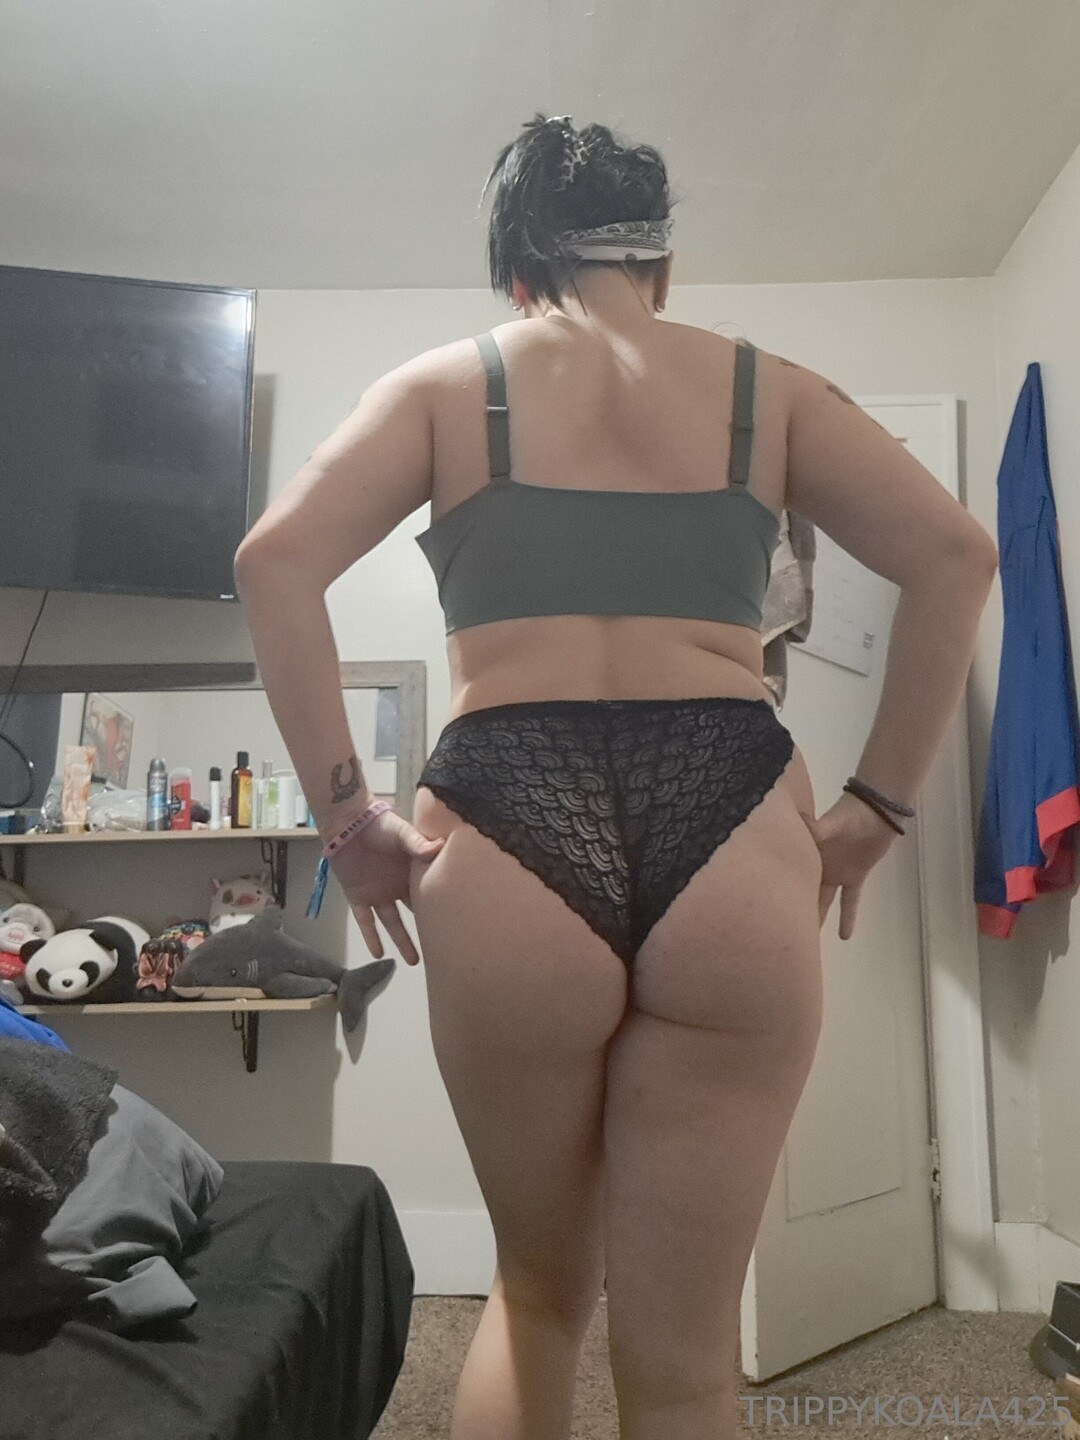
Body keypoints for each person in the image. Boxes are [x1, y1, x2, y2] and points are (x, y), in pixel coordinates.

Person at [235, 115, 998, 1440]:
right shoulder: (768, 390)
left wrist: (351, 820)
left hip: (508, 809)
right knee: (688, 1357)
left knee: (538, 1298)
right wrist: (876, 809)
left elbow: (274, 560)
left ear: (515, 271)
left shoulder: (444, 388)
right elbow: (957, 557)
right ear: (663, 264)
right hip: (729, 806)